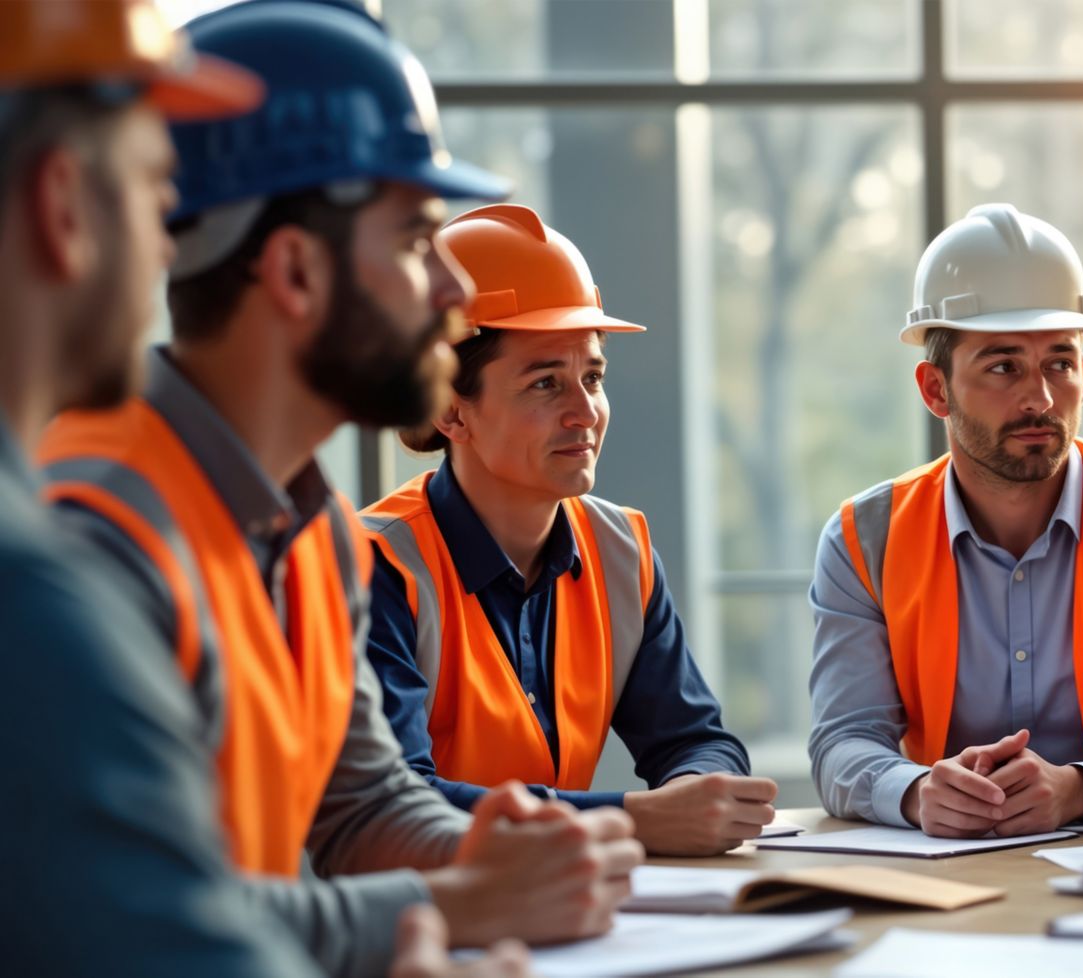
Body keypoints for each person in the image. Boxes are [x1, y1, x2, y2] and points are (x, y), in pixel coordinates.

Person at [38, 3, 639, 975]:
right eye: (413, 241)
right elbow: (135, 920)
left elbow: (360, 805)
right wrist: (458, 902)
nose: (452, 294)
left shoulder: (310, 528)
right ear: (295, 272)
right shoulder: (95, 532)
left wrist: (510, 858)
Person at [809, 203, 1083, 837]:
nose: (1039, 398)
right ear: (935, 389)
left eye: (1059, 364)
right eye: (1003, 367)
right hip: (946, 870)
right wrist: (919, 793)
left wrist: (1081, 789)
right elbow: (843, 741)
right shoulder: (862, 540)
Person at [365, 203, 776, 856]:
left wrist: (697, 794)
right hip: (417, 910)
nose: (585, 412)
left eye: (592, 377)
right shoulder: (376, 564)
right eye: (545, 384)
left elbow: (695, 739)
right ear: (450, 410)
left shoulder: (621, 552)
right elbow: (396, 801)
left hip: (561, 899)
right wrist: (634, 819)